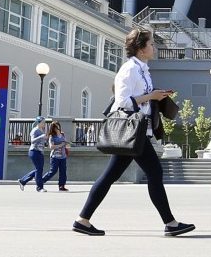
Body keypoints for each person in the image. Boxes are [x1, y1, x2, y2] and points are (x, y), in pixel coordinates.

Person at [71, 29, 195, 237]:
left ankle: (83, 219)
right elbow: (121, 102)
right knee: (154, 173)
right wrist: (149, 97)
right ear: (140, 48)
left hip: (138, 131)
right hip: (131, 130)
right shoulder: (129, 69)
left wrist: (157, 96)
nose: (154, 47)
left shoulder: (143, 70)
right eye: (151, 44)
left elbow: (141, 96)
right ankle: (171, 223)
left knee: (111, 176)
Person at [17, 116, 49, 192]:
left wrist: (46, 141)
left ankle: (23, 181)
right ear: (39, 122)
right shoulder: (35, 130)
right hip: (34, 151)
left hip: (40, 152)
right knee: (39, 169)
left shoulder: (41, 130)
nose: (44, 124)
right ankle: (39, 187)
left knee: (39, 169)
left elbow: (41, 141)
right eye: (43, 122)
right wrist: (41, 136)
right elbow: (32, 141)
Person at [40, 122, 69, 192]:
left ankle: (62, 186)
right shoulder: (52, 136)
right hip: (55, 157)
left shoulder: (62, 134)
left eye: (58, 126)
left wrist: (67, 146)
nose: (57, 128)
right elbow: (51, 146)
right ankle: (41, 181)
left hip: (63, 156)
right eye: (55, 127)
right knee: (53, 171)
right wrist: (60, 145)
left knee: (63, 172)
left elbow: (66, 144)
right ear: (53, 128)